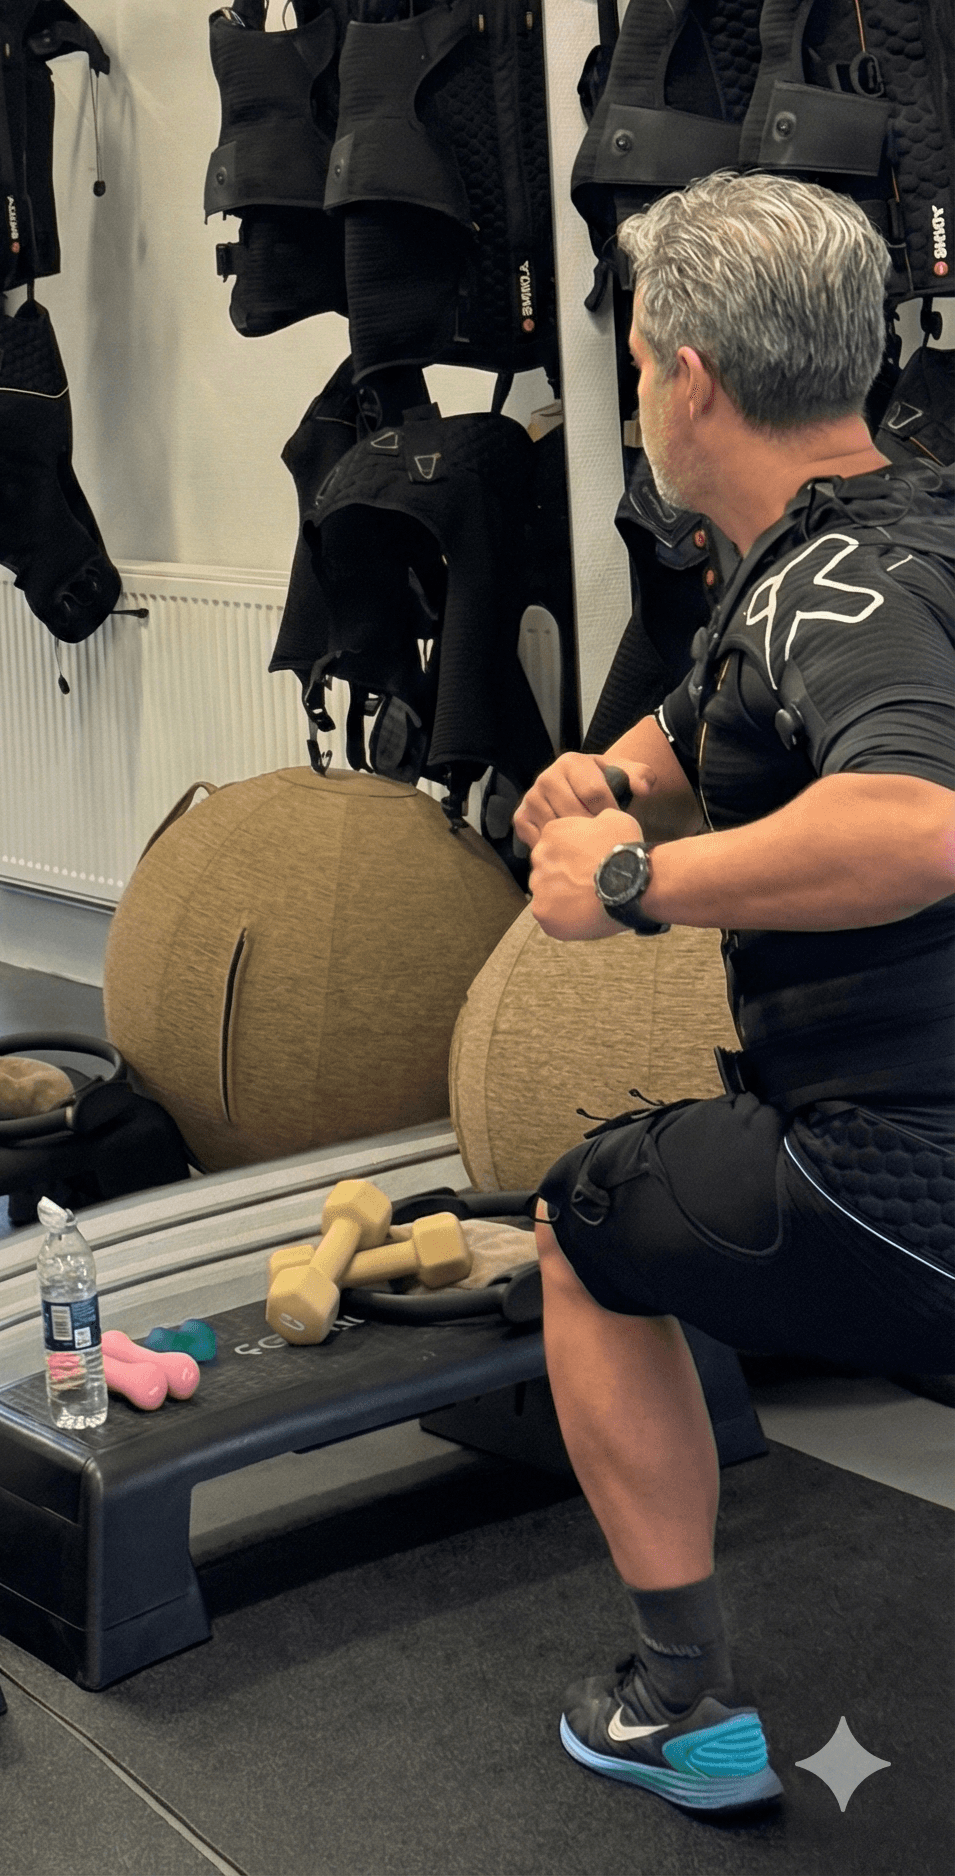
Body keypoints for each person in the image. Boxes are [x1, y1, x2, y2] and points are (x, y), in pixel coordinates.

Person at [515, 172, 955, 1818]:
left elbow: (914, 820)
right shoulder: (889, 526)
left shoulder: (817, 589)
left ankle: (677, 1700)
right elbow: (729, 715)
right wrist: (604, 779)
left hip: (912, 1179)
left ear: (687, 378)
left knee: (583, 1222)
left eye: (635, 364)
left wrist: (635, 882)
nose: (637, 396)